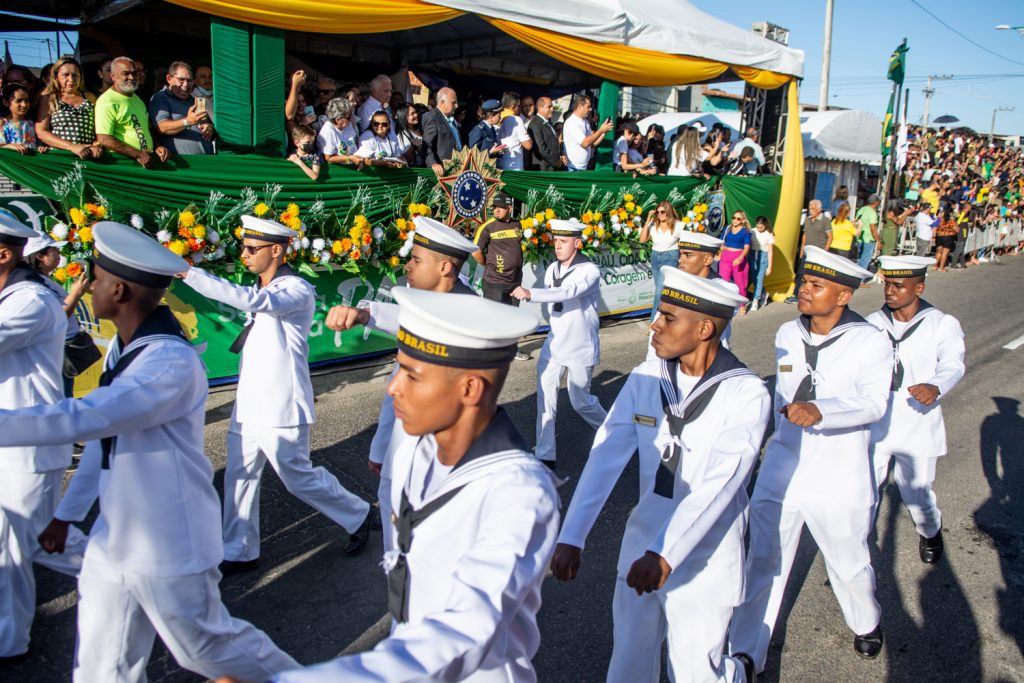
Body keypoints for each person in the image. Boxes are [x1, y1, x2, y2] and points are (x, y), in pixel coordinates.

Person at [0, 221, 299, 681]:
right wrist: (67, 514)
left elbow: (89, 417)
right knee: (102, 668)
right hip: (114, 537)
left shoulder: (169, 362)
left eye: (95, 279)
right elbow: (105, 443)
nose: (87, 288)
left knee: (207, 649)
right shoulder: (129, 350)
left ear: (118, 290)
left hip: (168, 540)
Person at [246, 288, 557, 683]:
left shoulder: (520, 493)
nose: (394, 387)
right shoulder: (417, 442)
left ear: (469, 389)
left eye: (411, 375)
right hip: (403, 651)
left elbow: (465, 627)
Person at [552, 266, 767, 683]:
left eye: (668, 317)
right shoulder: (645, 378)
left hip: (704, 555)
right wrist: (572, 535)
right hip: (641, 546)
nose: (654, 324)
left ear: (705, 328)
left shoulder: (746, 393)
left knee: (693, 673)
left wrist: (666, 552)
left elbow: (722, 483)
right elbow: (604, 456)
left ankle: (735, 673)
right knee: (629, 663)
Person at [176, 215, 373, 575]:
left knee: (297, 476)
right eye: (243, 248)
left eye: (252, 248)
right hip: (250, 402)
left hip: (280, 404)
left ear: (277, 251)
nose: (245, 254)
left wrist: (190, 274)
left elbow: (253, 301)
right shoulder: (267, 287)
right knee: (239, 476)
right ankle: (239, 550)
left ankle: (358, 514)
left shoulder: (294, 289)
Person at [729, 246, 892, 672]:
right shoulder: (786, 334)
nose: (804, 290)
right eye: (804, 281)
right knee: (763, 561)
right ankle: (748, 653)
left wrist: (824, 410)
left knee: (849, 564)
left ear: (843, 296)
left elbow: (875, 404)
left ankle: (866, 621)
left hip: (840, 473)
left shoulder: (870, 340)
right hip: (784, 467)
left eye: (816, 286)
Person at [324, 216, 480, 552]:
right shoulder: (424, 307)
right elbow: (396, 388)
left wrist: (366, 314)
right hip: (402, 455)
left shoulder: (470, 315)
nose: (407, 266)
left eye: (416, 259)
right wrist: (382, 446)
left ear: (445, 267)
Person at [0, 213, 88, 664]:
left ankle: (140, 578)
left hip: (29, 446)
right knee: (11, 540)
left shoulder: (29, 301)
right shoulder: (12, 295)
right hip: (10, 443)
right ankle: (9, 636)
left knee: (36, 539)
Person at [869, 256, 965, 564]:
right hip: (877, 421)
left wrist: (935, 386)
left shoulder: (941, 323)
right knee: (865, 491)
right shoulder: (871, 323)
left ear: (918, 287)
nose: (890, 291)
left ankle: (929, 530)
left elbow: (953, 363)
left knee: (917, 495)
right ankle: (855, 553)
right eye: (887, 284)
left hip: (917, 421)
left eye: (899, 285)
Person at [511, 219, 606, 469]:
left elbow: (568, 292)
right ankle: (545, 454)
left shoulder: (589, 271)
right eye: (555, 241)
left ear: (577, 242)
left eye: (563, 241)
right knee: (546, 398)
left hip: (580, 346)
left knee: (580, 402)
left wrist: (532, 294)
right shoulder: (553, 267)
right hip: (554, 345)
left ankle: (615, 433)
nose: (558, 246)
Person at [23, 232, 92, 397]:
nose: (59, 254)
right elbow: (54, 319)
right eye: (54, 250)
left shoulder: (45, 281)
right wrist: (75, 294)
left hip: (63, 352)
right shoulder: (33, 286)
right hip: (55, 354)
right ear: (40, 255)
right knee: (60, 401)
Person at [94, 56, 170, 168]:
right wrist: (138, 154)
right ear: (113, 76)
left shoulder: (137, 99)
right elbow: (104, 138)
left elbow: (145, 129)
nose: (131, 77)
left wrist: (157, 146)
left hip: (146, 161)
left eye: (134, 73)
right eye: (126, 73)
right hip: (124, 165)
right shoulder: (107, 101)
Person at [35, 56, 103, 160]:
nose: (71, 79)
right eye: (65, 75)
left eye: (75, 75)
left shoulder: (90, 97)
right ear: (56, 77)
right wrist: (71, 146)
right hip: (61, 158)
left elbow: (99, 128)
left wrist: (96, 145)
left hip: (88, 157)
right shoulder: (49, 98)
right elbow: (41, 132)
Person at [148, 61, 214, 155]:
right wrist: (187, 122)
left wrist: (209, 128)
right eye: (181, 79)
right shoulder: (160, 97)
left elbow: (204, 124)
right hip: (182, 165)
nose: (186, 84)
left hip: (206, 162)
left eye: (190, 80)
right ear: (169, 78)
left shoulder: (196, 100)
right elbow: (162, 127)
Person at [472, 192, 525, 306]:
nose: (497, 210)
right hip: (495, 282)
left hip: (515, 282)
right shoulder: (487, 227)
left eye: (501, 207)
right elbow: (475, 252)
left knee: (512, 317)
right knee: (493, 319)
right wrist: (489, 265)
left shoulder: (517, 224)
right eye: (495, 207)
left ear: (509, 208)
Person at [639, 201, 683, 321]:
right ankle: (668, 317)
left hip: (670, 257)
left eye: (662, 212)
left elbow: (685, 243)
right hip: (655, 257)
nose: (660, 214)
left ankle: (653, 321)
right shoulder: (653, 225)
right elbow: (642, 240)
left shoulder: (678, 225)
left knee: (659, 291)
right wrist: (648, 219)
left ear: (668, 211)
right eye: (658, 212)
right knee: (663, 292)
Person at [563, 94, 613, 172]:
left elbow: (593, 143)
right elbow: (585, 143)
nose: (590, 109)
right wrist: (600, 130)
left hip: (583, 167)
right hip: (573, 168)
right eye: (588, 107)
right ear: (580, 106)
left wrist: (603, 132)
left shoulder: (585, 122)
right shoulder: (572, 122)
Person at [421, 87, 462, 175]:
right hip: (442, 171)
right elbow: (427, 145)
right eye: (453, 103)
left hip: (456, 169)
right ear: (442, 102)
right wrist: (433, 163)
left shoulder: (451, 120)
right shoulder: (432, 117)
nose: (456, 106)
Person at [719, 210, 752, 312]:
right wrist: (721, 251)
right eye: (734, 217)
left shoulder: (746, 231)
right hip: (726, 257)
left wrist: (740, 258)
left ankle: (742, 305)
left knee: (740, 282)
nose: (735, 220)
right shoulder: (727, 228)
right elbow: (722, 242)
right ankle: (723, 302)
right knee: (722, 280)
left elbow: (746, 247)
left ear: (742, 220)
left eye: (738, 218)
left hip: (738, 257)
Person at [316, 97, 363, 168]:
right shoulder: (328, 131)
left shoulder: (347, 124)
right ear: (338, 120)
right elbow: (328, 158)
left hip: (352, 165)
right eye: (349, 116)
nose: (351, 118)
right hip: (338, 169)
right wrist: (349, 158)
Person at [1, 83, 45, 153]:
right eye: (18, 101)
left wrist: (41, 148)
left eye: (26, 100)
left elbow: (38, 144)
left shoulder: (32, 123)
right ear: (5, 102)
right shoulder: (2, 123)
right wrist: (9, 146)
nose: (24, 105)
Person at [527, 96, 566, 171]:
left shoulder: (548, 123)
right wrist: (556, 162)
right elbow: (541, 149)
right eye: (549, 107)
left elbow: (553, 144)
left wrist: (560, 156)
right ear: (540, 108)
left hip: (552, 168)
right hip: (544, 169)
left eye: (552, 107)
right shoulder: (535, 124)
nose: (552, 109)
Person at [497, 91, 532, 171]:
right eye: (519, 106)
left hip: (499, 165)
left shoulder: (497, 118)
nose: (520, 109)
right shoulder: (516, 120)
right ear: (513, 106)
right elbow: (528, 145)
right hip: (514, 168)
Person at [748, 215, 774, 311]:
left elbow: (770, 251)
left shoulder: (769, 234)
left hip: (763, 255)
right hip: (752, 254)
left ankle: (756, 300)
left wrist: (769, 266)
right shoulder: (753, 231)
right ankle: (763, 292)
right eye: (758, 227)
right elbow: (750, 244)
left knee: (759, 278)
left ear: (765, 225)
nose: (759, 229)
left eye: (761, 227)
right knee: (753, 277)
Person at [854, 194, 881, 272]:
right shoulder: (873, 213)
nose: (879, 204)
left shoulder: (861, 209)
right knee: (865, 260)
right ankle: (861, 279)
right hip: (868, 239)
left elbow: (856, 222)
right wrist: (878, 241)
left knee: (859, 259)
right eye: (879, 202)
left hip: (859, 238)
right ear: (875, 202)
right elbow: (873, 228)